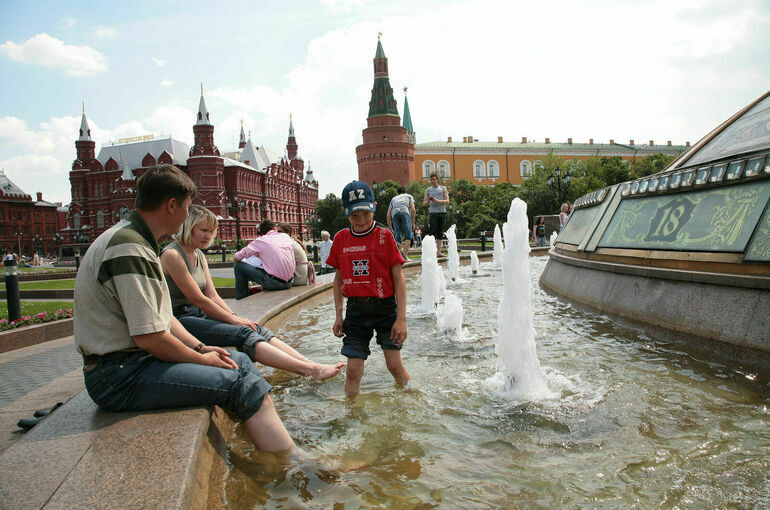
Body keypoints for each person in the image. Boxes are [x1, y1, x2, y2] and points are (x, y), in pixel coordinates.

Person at [74, 164, 293, 452]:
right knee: (241, 383)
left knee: (237, 361)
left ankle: (267, 443)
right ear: (171, 205)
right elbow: (149, 337)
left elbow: (163, 318)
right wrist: (201, 359)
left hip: (132, 363)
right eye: (188, 207)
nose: (188, 215)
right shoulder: (130, 248)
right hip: (119, 376)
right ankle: (292, 465)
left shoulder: (135, 239)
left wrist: (202, 350)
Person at [160, 206, 341, 380]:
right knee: (243, 333)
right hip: (180, 319)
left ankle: (310, 363)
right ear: (189, 227)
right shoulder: (173, 255)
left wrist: (235, 316)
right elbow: (197, 298)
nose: (208, 236)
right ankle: (309, 370)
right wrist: (234, 320)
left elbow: (213, 295)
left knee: (254, 327)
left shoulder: (198, 254)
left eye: (211, 231)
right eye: (203, 230)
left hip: (200, 315)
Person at [327, 180, 410, 395]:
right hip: (355, 311)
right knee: (353, 370)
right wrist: (339, 315)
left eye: (366, 213)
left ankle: (410, 402)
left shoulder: (385, 236)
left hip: (384, 310)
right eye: (355, 215)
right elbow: (338, 280)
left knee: (394, 365)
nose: (362, 220)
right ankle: (352, 413)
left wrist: (401, 319)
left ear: (373, 207)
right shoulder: (341, 239)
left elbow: (399, 278)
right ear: (346, 213)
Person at [232, 219, 295, 298]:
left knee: (238, 266)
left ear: (261, 233)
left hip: (275, 283)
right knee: (268, 267)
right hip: (290, 282)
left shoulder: (260, 241)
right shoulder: (285, 237)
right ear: (275, 228)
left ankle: (242, 298)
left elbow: (237, 257)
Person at [275, 222, 314, 286]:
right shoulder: (292, 241)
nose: (277, 234)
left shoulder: (288, 243)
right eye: (277, 232)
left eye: (279, 232)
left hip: (297, 278)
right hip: (301, 277)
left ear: (287, 233)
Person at [423, 173, 449, 255]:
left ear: (437, 179)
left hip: (442, 212)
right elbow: (424, 203)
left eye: (434, 179)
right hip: (432, 213)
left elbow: (447, 201)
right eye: (431, 180)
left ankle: (438, 252)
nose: (432, 181)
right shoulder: (428, 190)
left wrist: (437, 201)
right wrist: (428, 200)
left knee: (440, 232)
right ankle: (432, 251)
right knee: (433, 232)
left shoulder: (443, 188)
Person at [387, 186, 416, 259]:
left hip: (395, 214)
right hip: (405, 212)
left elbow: (388, 215)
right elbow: (413, 209)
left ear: (397, 193)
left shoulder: (393, 198)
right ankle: (405, 257)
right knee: (408, 235)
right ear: (405, 192)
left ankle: (399, 257)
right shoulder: (409, 196)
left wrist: (390, 227)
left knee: (397, 236)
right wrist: (413, 223)